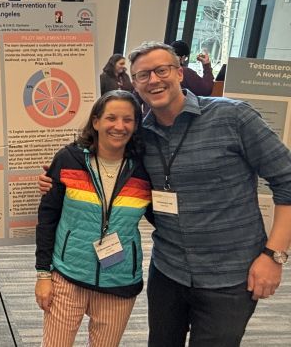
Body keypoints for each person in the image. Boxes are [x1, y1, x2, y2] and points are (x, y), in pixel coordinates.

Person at [39, 42, 291, 346]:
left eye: (162, 70)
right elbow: (108, 170)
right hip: (168, 272)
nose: (154, 80)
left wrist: (273, 256)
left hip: (229, 275)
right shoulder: (140, 136)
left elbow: (286, 181)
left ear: (180, 72)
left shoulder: (232, 117)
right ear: (134, 83)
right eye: (143, 75)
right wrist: (54, 179)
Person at [35, 90, 153, 347]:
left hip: (119, 279)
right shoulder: (69, 159)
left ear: (136, 125)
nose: (119, 126)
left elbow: (162, 219)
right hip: (68, 275)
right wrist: (43, 274)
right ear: (96, 121)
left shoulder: (145, 168)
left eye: (128, 120)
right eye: (111, 118)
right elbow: (47, 218)